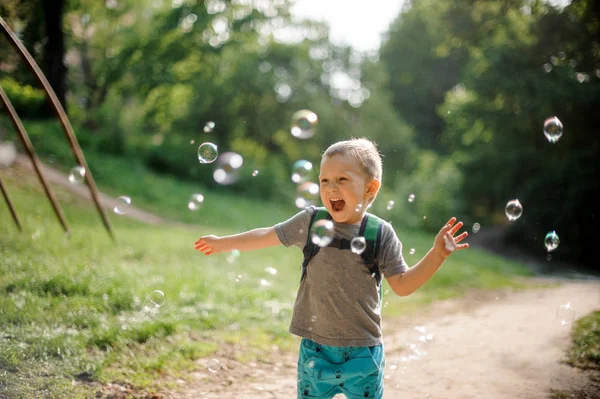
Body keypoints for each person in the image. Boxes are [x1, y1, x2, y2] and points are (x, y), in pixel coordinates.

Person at [194, 138, 469, 399]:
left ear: (370, 189)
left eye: (342, 179)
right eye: (324, 180)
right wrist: (223, 243)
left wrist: (437, 255)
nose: (330, 188)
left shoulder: (380, 233)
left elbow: (403, 284)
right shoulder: (311, 221)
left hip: (364, 352)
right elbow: (267, 235)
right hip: (315, 349)